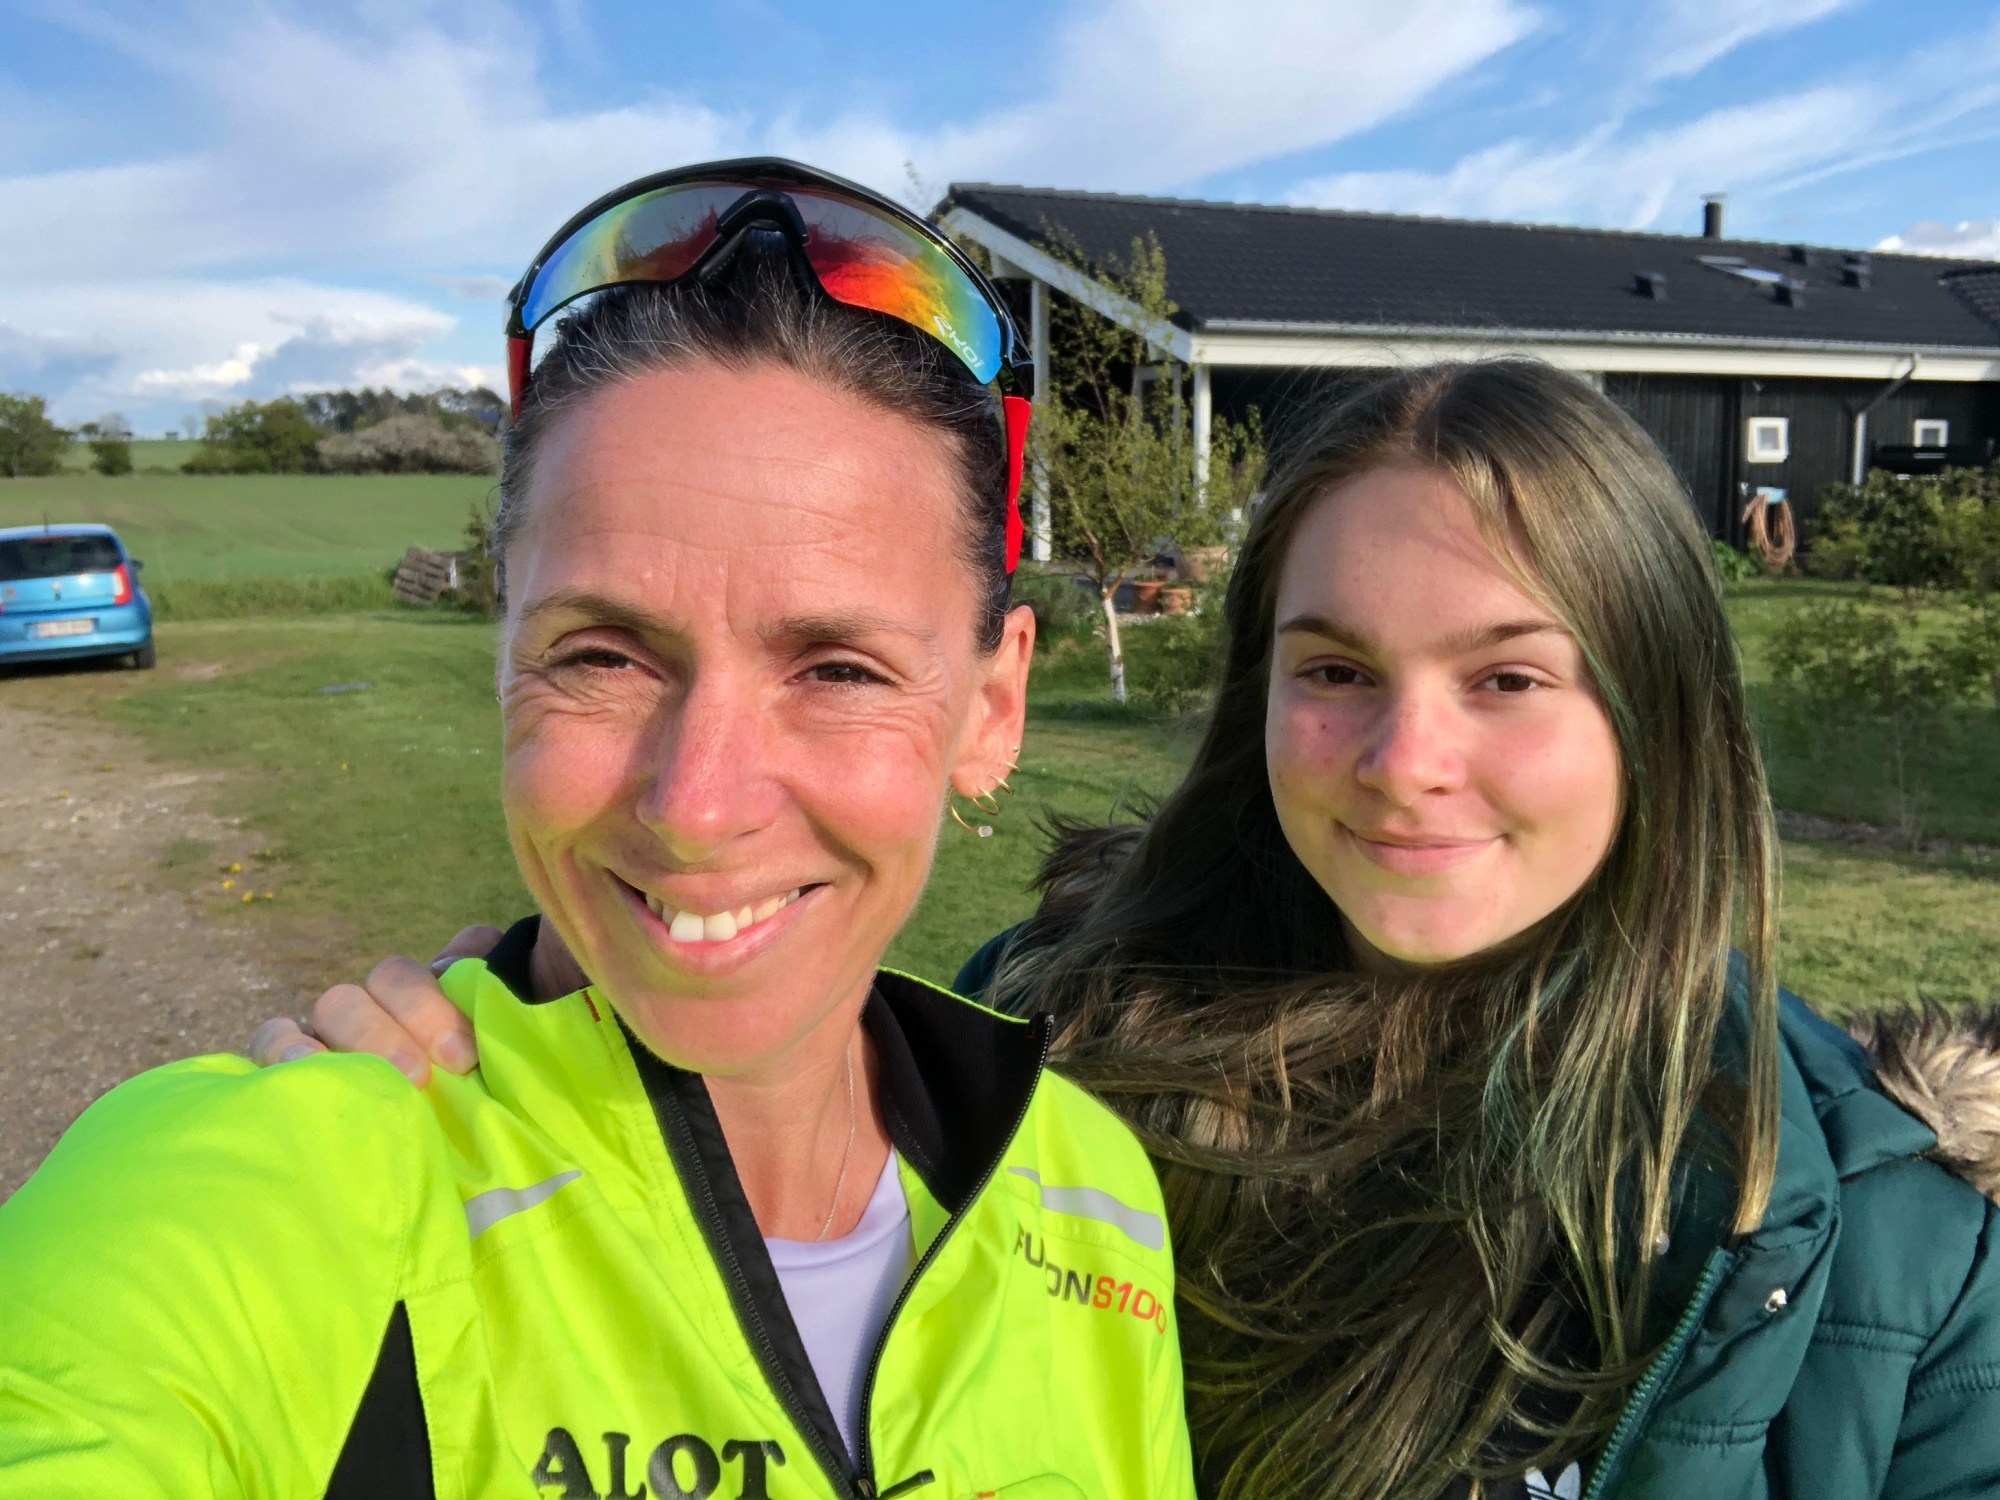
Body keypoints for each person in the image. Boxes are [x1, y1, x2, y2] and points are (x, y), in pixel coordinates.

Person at [247, 361, 2000, 1500]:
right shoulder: (1045, 1046)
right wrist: (497, 1050)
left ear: (1658, 710)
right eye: (1335, 672)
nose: (1404, 762)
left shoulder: (1891, 1255)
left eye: (1509, 679)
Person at [0, 159, 1195, 1500]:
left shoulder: (1092, 1195)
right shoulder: (240, 1196)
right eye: (605, 656)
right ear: (503, 649)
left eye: (838, 669)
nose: (696, 804)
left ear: (993, 707)